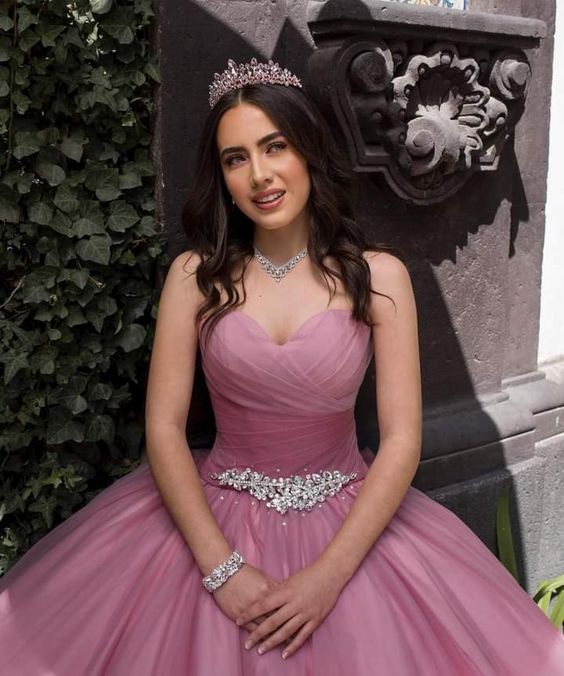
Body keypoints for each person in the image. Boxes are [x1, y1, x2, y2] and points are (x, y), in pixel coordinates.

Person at [0, 56, 563, 676]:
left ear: (308, 151)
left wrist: (327, 577)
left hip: (347, 520)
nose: (259, 174)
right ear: (222, 176)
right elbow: (163, 429)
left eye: (275, 147)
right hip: (214, 518)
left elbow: (402, 441)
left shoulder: (379, 277)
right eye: (235, 158)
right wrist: (222, 570)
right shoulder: (195, 277)